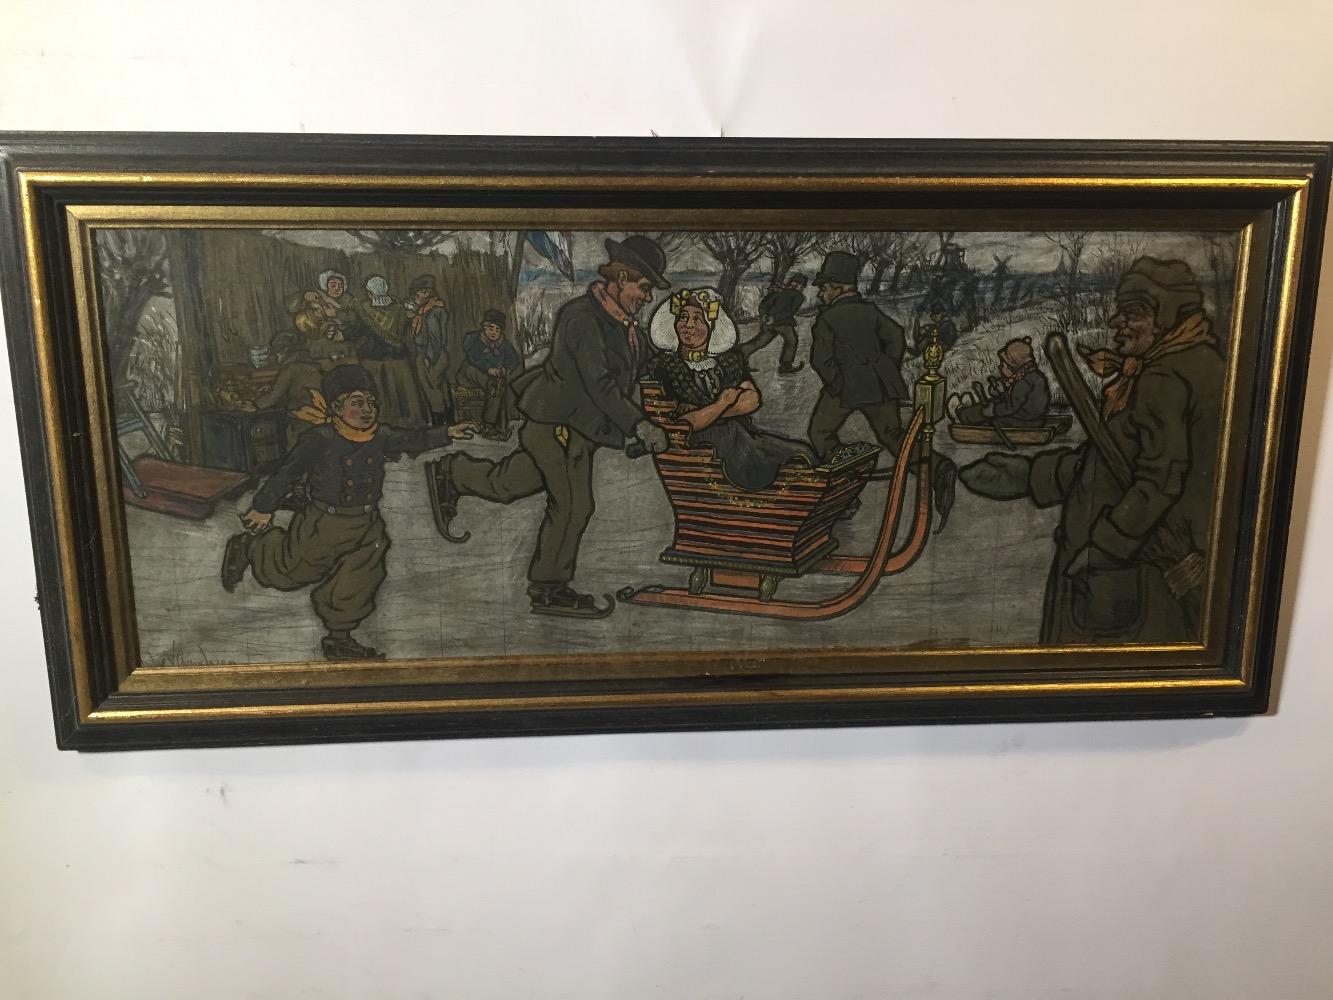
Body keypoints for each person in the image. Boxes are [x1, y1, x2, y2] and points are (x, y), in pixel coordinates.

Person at [959, 257, 1224, 643]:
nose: (1117, 322)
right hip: (1129, 581)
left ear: (1166, 317)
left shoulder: (1165, 378)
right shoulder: (1184, 366)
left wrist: (1106, 547)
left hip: (1136, 585)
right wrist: (1034, 475)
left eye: (1132, 313)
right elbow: (1110, 459)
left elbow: (1158, 481)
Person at [427, 235, 672, 618]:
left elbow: (651, 365)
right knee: (573, 505)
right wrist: (639, 424)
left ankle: (453, 473)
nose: (646, 296)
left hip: (580, 432)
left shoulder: (628, 329)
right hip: (554, 426)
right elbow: (599, 383)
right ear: (622, 277)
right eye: (643, 287)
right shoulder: (581, 318)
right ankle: (548, 587)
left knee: (506, 484)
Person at [219, 364, 477, 661]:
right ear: (336, 408)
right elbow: (287, 474)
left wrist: (447, 432)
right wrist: (263, 507)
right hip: (323, 523)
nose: (367, 410)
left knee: (360, 578)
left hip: (366, 523)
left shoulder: (380, 435)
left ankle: (339, 638)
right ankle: (251, 547)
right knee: (292, 571)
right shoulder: (320, 439)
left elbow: (412, 439)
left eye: (371, 403)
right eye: (357, 403)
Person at [806, 250, 958, 531]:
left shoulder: (827, 319)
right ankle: (938, 468)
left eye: (824, 288)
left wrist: (839, 384)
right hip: (879, 383)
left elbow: (820, 360)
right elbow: (896, 337)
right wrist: (885, 368)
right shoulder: (871, 311)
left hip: (845, 388)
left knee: (820, 433)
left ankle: (846, 488)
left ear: (839, 288)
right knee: (893, 435)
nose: (820, 294)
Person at [647, 287, 814, 490]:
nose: (688, 325)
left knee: (803, 454)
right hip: (704, 448)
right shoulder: (665, 366)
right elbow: (682, 424)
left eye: (698, 319)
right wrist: (724, 402)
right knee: (761, 468)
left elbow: (752, 400)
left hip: (739, 434)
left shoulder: (728, 360)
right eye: (682, 317)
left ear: (711, 326)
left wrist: (708, 413)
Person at [955, 336, 1051, 427]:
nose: (1000, 367)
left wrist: (994, 410)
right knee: (992, 404)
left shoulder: (1024, 382)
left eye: (1004, 364)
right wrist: (1002, 391)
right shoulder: (1027, 375)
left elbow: (1012, 406)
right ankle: (966, 412)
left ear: (1013, 366)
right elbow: (1014, 398)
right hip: (1025, 415)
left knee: (986, 414)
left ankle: (964, 415)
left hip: (1024, 419)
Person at [456, 308, 523, 437]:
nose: (494, 332)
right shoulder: (472, 338)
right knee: (493, 383)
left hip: (491, 378)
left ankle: (498, 428)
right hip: (470, 373)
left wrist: (505, 369)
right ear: (484, 327)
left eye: (497, 329)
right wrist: (489, 369)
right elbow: (474, 357)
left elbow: (513, 359)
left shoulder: (503, 343)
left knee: (498, 385)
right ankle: (490, 425)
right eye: (491, 328)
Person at [405, 274, 453, 425]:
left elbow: (435, 338)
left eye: (418, 293)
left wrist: (429, 358)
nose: (416, 297)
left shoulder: (433, 312)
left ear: (426, 293)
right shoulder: (424, 311)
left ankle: (439, 422)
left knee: (431, 387)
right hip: (429, 353)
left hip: (430, 354)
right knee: (440, 386)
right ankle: (449, 421)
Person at [740, 272, 807, 374]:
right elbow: (789, 312)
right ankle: (785, 365)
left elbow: (763, 306)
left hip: (769, 323)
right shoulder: (798, 296)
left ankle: (741, 354)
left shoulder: (778, 292)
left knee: (760, 342)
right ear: (800, 286)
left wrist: (765, 316)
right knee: (792, 341)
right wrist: (774, 318)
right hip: (783, 323)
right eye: (801, 286)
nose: (800, 288)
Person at [353, 275, 410, 360]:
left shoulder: (365, 307)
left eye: (368, 291)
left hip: (375, 350)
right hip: (397, 349)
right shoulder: (399, 307)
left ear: (371, 293)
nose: (367, 294)